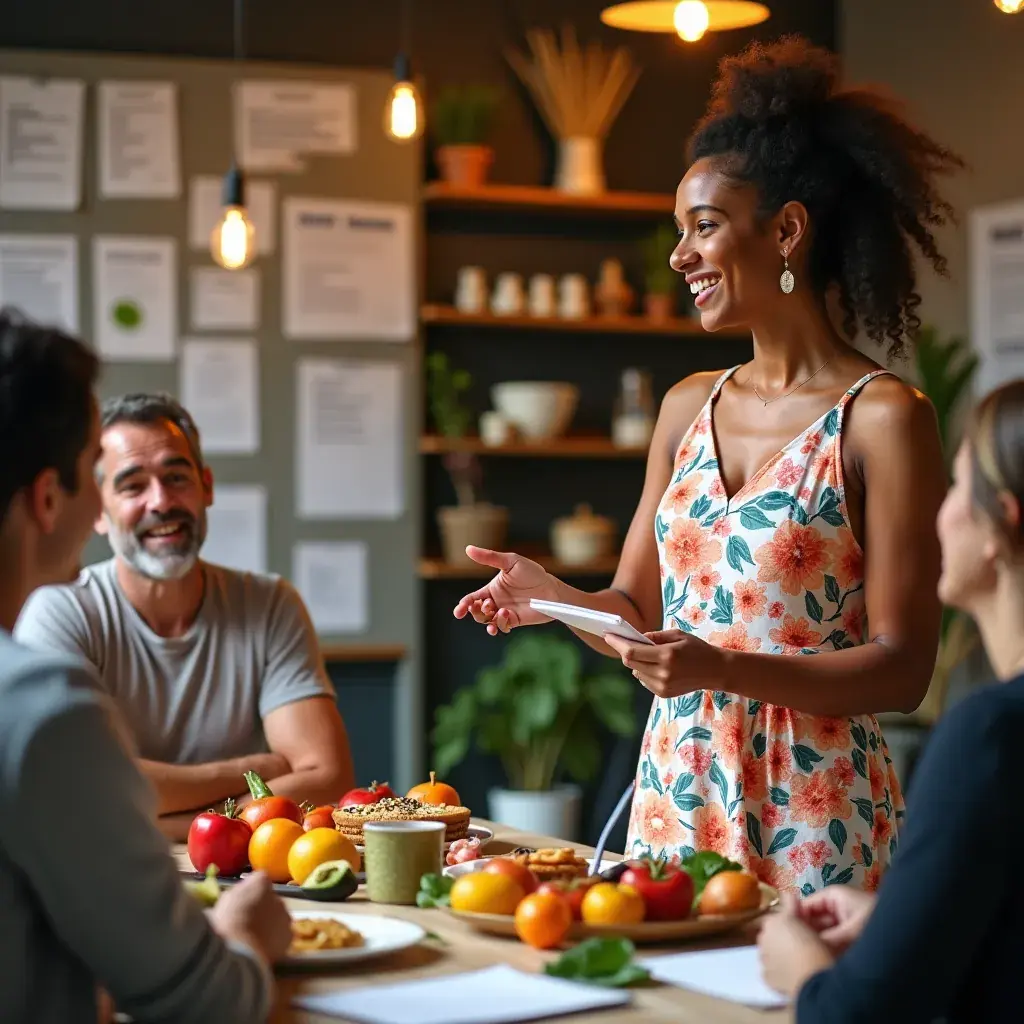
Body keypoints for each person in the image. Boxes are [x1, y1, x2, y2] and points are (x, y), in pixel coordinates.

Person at [453, 36, 961, 892]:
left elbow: (905, 668)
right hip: (677, 794)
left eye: (705, 227)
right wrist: (550, 598)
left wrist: (721, 668)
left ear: (788, 230)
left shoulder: (883, 419)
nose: (680, 257)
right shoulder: (688, 405)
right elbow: (635, 610)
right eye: (678, 234)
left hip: (817, 806)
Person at [0, 308, 291, 1023]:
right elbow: (205, 1003)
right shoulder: (40, 710)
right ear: (51, 499)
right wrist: (249, 933)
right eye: (101, 477)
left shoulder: (267, 602)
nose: (154, 502)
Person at [758, 379, 1024, 1022]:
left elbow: (853, 1015)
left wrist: (801, 969)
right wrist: (902, 918)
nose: (941, 512)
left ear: (1002, 524)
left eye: (958, 487)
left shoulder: (990, 736)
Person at [15, 392, 354, 841]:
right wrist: (250, 770)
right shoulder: (60, 610)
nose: (161, 501)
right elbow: (77, 789)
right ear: (99, 509)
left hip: (246, 871)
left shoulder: (270, 603)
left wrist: (168, 823)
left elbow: (327, 779)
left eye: (176, 477)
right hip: (108, 874)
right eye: (132, 485)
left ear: (206, 487)